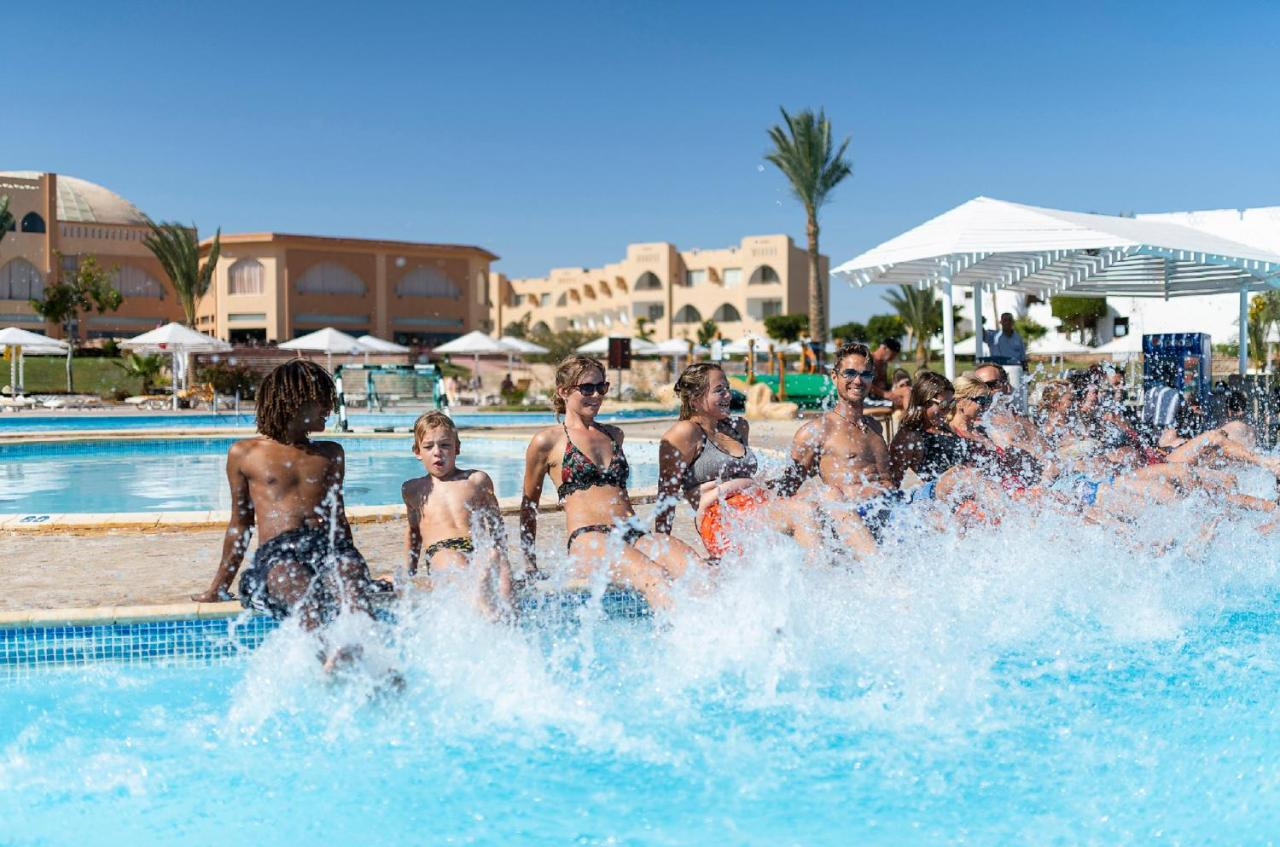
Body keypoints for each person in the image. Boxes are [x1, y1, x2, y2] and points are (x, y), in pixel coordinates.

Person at [192, 360, 384, 649]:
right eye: (321, 401)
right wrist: (219, 587)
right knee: (295, 586)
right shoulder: (245, 453)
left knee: (351, 584)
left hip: (328, 547)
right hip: (278, 554)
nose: (329, 408)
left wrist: (352, 563)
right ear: (294, 403)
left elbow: (339, 519)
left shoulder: (331, 453)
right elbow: (240, 525)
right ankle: (328, 654)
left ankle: (371, 657)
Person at [522, 356, 702, 610]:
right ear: (563, 392)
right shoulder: (547, 441)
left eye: (601, 387)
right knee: (654, 576)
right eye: (587, 388)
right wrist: (529, 563)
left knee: (698, 571)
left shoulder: (614, 434)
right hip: (589, 539)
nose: (596, 395)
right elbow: (529, 505)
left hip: (633, 532)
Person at [657, 362, 875, 561]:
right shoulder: (684, 433)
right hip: (721, 518)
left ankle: (876, 568)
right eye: (719, 390)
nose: (728, 395)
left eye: (728, 388)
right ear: (695, 399)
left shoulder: (738, 427)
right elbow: (666, 493)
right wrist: (660, 548)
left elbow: (744, 480)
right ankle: (816, 581)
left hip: (756, 503)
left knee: (831, 494)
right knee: (803, 511)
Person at [402, 411, 514, 615]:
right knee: (454, 561)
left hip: (477, 548)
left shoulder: (476, 480)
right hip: (442, 550)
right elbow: (414, 532)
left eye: (445, 445)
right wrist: (409, 573)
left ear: (457, 448)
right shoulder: (413, 489)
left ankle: (505, 614)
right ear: (417, 451)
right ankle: (480, 602)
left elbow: (496, 526)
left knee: (496, 557)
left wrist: (503, 558)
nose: (437, 452)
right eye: (428, 447)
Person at [888, 371, 968, 492]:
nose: (947, 410)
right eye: (943, 404)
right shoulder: (909, 437)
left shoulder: (945, 428)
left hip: (962, 489)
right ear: (924, 402)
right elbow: (893, 482)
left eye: (951, 404)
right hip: (937, 495)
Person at [867, 338, 908, 408]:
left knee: (907, 390)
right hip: (869, 397)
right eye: (893, 354)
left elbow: (883, 383)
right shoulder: (868, 359)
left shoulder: (884, 363)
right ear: (884, 348)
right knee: (901, 402)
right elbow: (863, 383)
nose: (893, 358)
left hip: (881, 395)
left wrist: (896, 385)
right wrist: (885, 394)